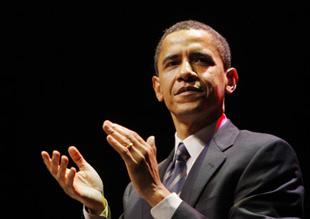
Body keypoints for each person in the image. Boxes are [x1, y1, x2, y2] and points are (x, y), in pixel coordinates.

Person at [41, 20, 304, 218]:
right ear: (158, 88)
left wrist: (157, 194)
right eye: (172, 63)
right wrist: (99, 210)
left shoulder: (265, 155)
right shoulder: (136, 189)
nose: (186, 72)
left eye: (201, 60)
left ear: (230, 80)